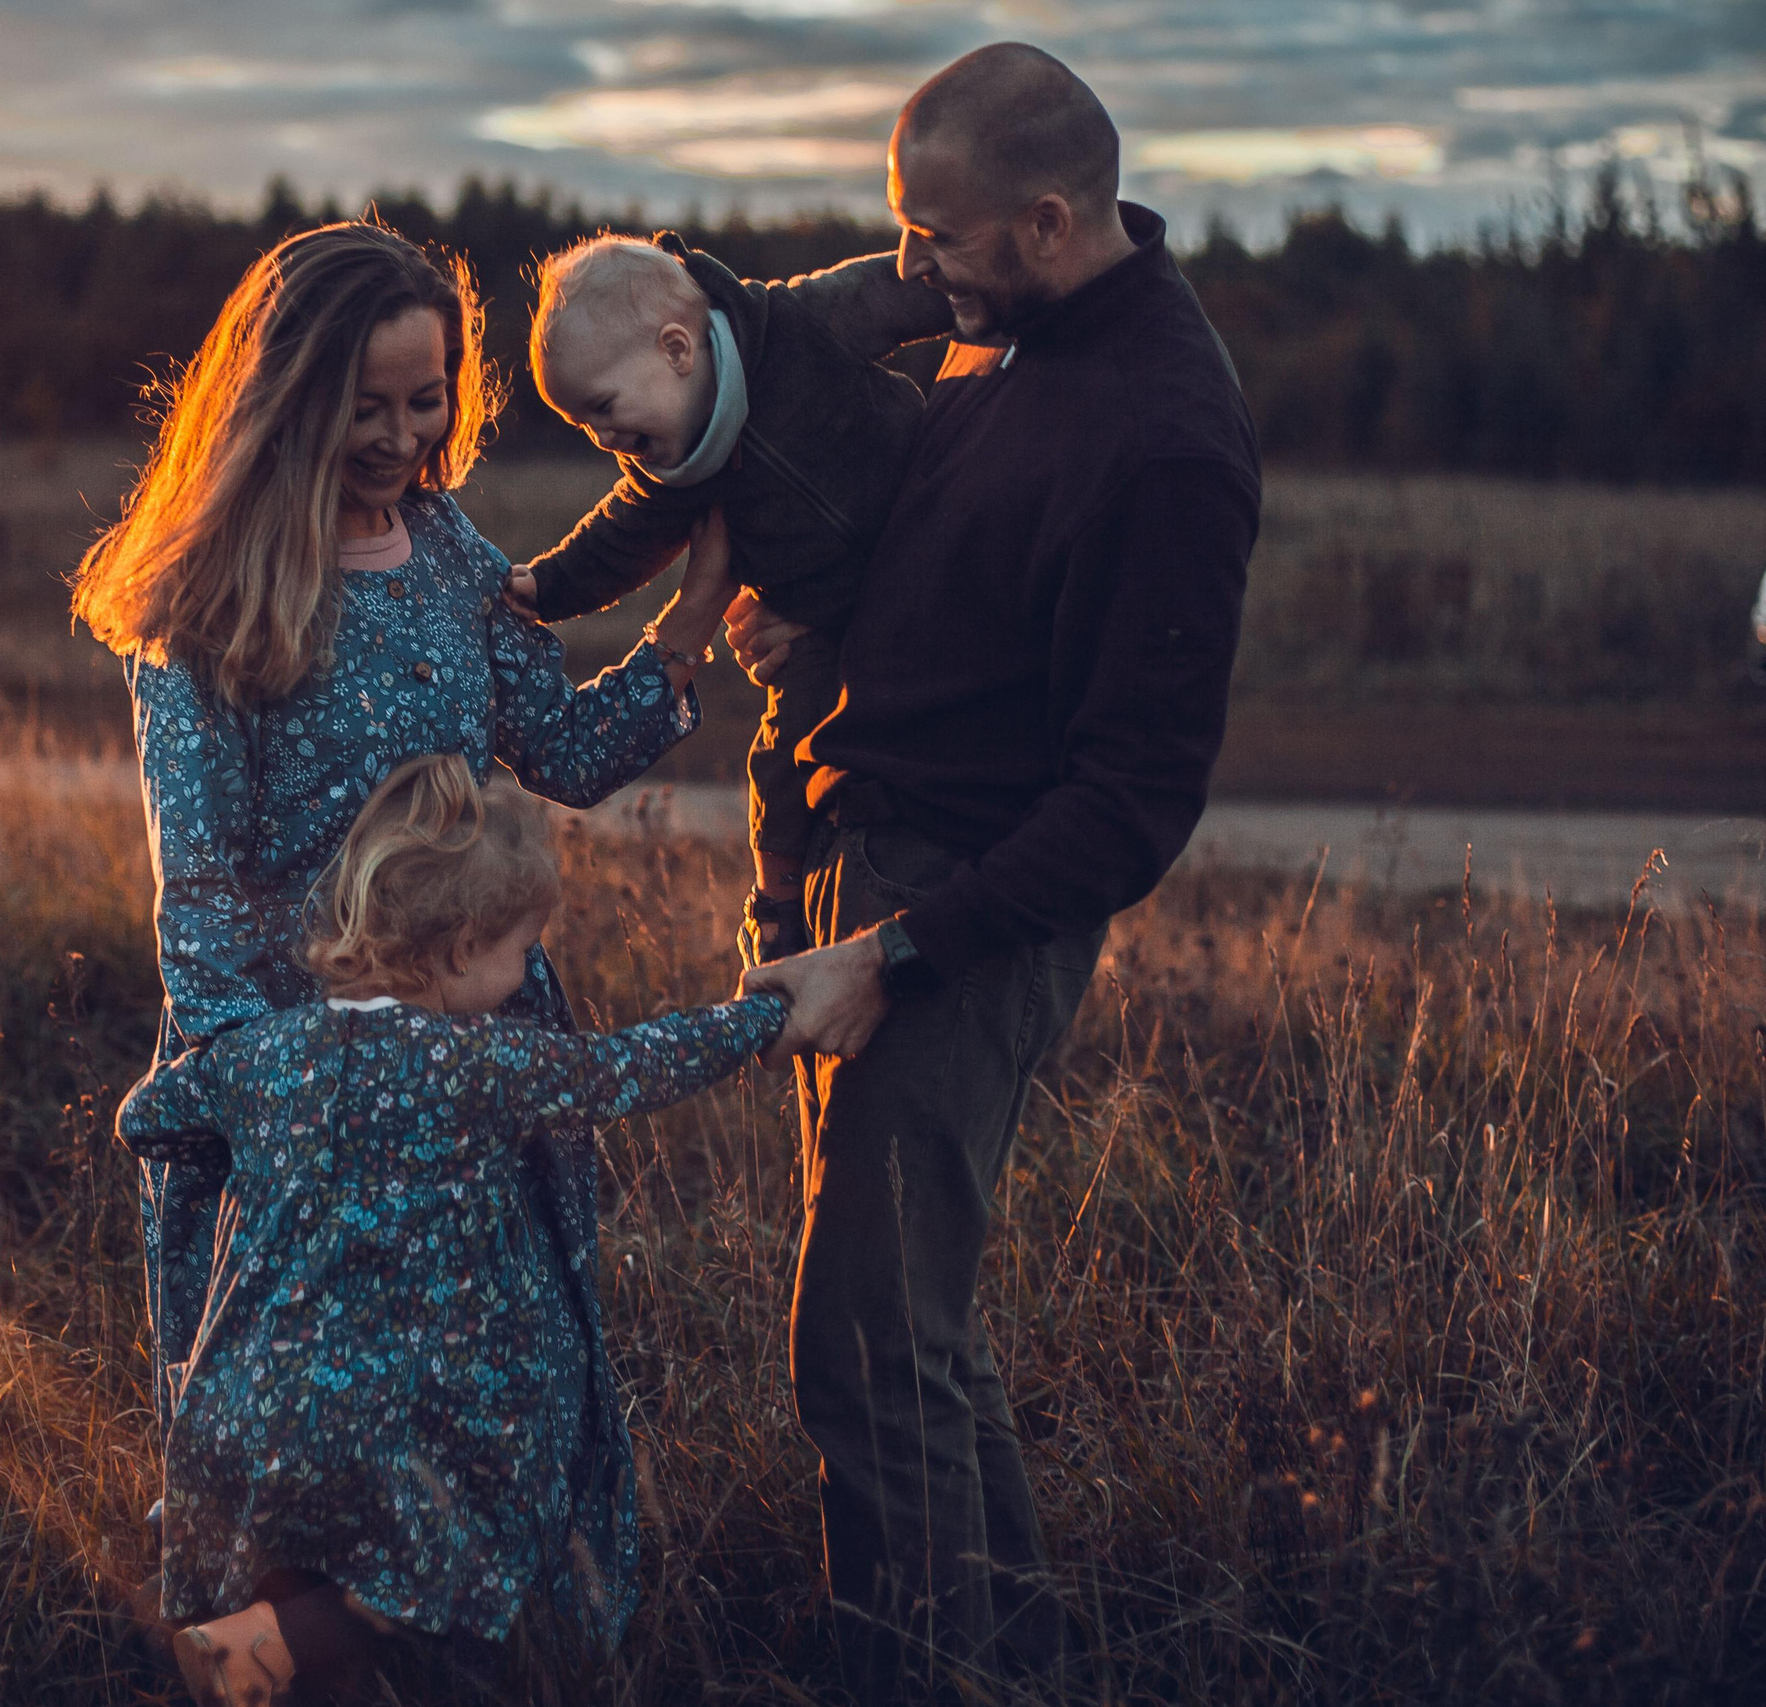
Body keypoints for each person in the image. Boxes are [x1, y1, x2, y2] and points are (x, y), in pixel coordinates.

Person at [70, 221, 739, 1650]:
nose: (398, 436)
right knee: (309, 1429)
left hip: (483, 1061)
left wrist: (688, 627)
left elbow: (561, 752)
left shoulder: (445, 549)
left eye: (425, 399)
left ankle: (499, 1662)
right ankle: (283, 1655)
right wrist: (285, 1094)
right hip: (298, 1086)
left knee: (501, 1395)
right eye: (362, 405)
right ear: (285, 394)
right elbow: (202, 893)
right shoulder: (205, 594)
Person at [729, 43, 1263, 1702]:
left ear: (1047, 219)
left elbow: (1133, 802)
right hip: (865, 859)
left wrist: (897, 953)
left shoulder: (1167, 438)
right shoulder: (996, 325)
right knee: (913, 1338)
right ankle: (1018, 1661)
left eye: (935, 234)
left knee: (867, 1343)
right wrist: (822, 623)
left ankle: (909, 1675)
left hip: (965, 919)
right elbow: (954, 560)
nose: (909, 265)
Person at [117, 755, 790, 1705]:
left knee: (317, 1602)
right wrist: (762, 1017)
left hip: (245, 1408)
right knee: (476, 1555)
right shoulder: (481, 1066)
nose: (526, 973)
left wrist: (261, 1148)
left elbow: (144, 1116)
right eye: (524, 948)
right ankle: (256, 1643)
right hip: (389, 1422)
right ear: (463, 948)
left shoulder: (263, 1055)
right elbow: (631, 1068)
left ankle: (259, 1640)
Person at [511, 233, 951, 964]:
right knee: (783, 757)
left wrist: (996, 291)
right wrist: (547, 585)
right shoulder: (673, 474)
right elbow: (616, 544)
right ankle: (779, 906)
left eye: (604, 407)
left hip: (929, 542)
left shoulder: (796, 327)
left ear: (677, 349)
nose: (605, 438)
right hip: (819, 626)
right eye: (585, 426)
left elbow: (896, 293)